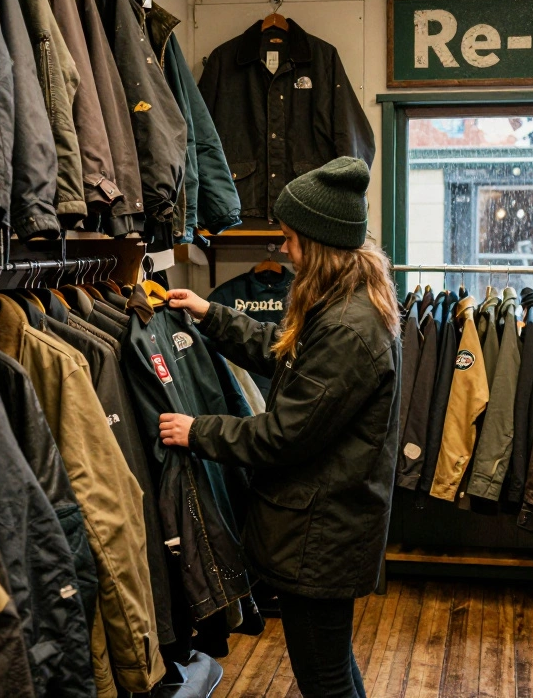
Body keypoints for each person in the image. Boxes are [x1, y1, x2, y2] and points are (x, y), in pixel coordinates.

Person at [160, 157, 401, 698]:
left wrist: (197, 431)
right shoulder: (344, 305)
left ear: (317, 242)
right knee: (331, 666)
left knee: (324, 675)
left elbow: (284, 435)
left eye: (290, 238)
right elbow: (285, 355)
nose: (282, 250)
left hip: (321, 533)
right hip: (325, 524)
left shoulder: (347, 327)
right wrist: (210, 313)